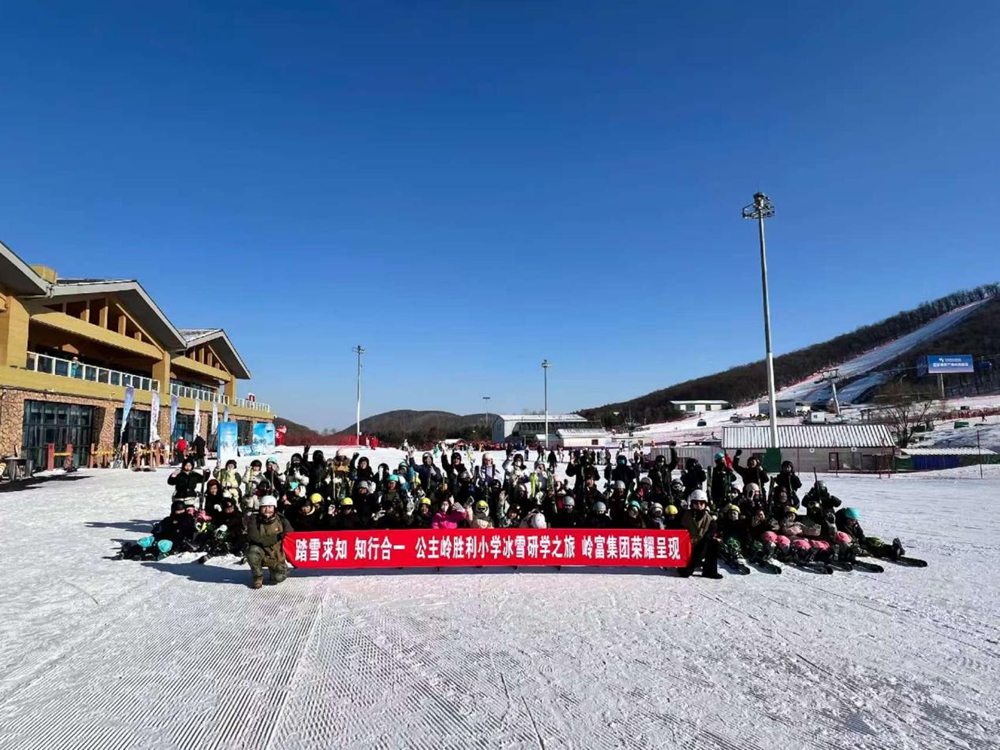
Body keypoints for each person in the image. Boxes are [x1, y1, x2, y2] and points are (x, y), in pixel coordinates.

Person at [245, 495, 292, 589]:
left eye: (270, 507)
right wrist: (277, 537)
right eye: (264, 507)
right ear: (260, 508)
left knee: (278, 578)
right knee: (252, 551)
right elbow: (255, 538)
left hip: (277, 553)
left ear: (274, 508)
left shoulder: (281, 519)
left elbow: (290, 535)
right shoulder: (254, 520)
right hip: (262, 553)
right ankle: (258, 577)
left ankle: (277, 568)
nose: (267, 510)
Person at [678, 490, 721, 579]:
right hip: (685, 547)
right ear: (691, 503)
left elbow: (709, 536)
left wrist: (694, 562)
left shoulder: (710, 520)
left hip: (700, 547)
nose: (699, 505)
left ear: (705, 504)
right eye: (696, 503)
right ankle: (686, 565)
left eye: (701, 503)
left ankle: (709, 571)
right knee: (684, 573)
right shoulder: (683, 515)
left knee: (713, 543)